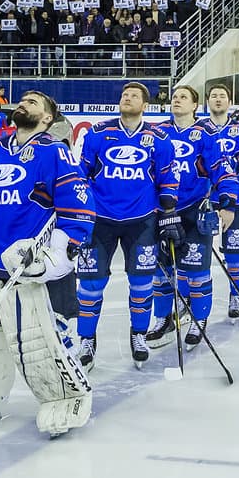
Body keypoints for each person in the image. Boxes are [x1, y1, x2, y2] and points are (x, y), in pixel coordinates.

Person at [0, 90, 94, 438]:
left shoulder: (55, 153)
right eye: (23, 100)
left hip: (35, 270)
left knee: (44, 343)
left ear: (48, 118)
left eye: (34, 102)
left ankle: (65, 396)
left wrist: (56, 256)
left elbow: (78, 211)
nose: (24, 104)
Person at [76, 82, 175, 371]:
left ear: (145, 105)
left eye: (133, 96)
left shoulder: (159, 138)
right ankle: (86, 339)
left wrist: (169, 210)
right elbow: (81, 173)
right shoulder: (98, 132)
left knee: (142, 282)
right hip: (101, 220)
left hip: (141, 220)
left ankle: (139, 334)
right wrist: (79, 211)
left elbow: (167, 177)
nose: (127, 98)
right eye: (124, 95)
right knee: (91, 283)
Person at [144, 85, 239, 350]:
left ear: (195, 105)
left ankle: (199, 319)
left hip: (194, 208)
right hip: (163, 210)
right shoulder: (157, 132)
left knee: (197, 271)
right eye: (175, 97)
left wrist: (228, 203)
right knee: (162, 269)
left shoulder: (206, 133)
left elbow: (222, 169)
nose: (176, 100)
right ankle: (163, 318)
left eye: (183, 97)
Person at [196, 84, 239, 309]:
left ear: (230, 102)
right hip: (201, 202)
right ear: (207, 102)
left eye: (222, 96)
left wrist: (234, 165)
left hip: (233, 201)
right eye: (214, 96)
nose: (218, 99)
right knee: (195, 255)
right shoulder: (197, 129)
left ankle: (236, 295)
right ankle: (193, 301)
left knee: (235, 254)